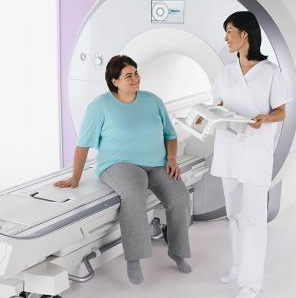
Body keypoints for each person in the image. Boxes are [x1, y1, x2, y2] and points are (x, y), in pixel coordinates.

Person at [54, 55, 192, 285]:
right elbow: (83, 144)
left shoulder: (152, 101)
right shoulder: (100, 106)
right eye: (129, 75)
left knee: (180, 197)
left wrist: (172, 158)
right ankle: (134, 259)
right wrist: (75, 178)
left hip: (157, 163)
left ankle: (178, 251)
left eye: (136, 73)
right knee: (135, 194)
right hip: (118, 164)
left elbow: (171, 135)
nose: (136, 78)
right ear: (114, 81)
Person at [208, 11, 292, 298]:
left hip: (255, 150)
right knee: (234, 214)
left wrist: (263, 119)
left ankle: (251, 282)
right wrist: (206, 115)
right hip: (228, 147)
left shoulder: (270, 72)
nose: (226, 37)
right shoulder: (226, 71)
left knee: (255, 218)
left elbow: (281, 112)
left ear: (245, 34)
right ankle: (236, 266)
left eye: (229, 31)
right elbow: (217, 102)